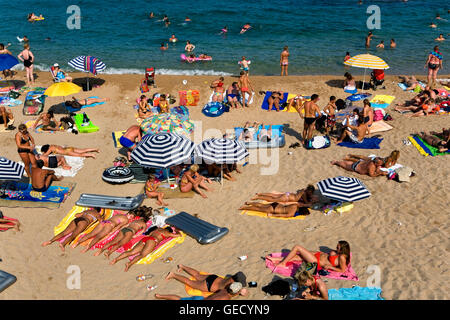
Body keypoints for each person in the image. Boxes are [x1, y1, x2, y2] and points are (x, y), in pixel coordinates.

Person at [110, 226, 182, 271]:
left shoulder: (157, 229)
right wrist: (177, 230)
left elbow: (149, 234)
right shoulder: (167, 233)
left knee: (131, 252)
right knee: (142, 255)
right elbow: (179, 235)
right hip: (153, 241)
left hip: (146, 239)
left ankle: (116, 259)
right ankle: (129, 264)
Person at [269, 240, 351, 275]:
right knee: (297, 256)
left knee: (297, 247)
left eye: (338, 247)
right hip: (317, 255)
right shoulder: (338, 253)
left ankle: (283, 263)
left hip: (317, 262)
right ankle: (276, 259)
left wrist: (330, 267)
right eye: (336, 246)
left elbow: (343, 270)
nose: (336, 248)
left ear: (343, 249)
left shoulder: (342, 257)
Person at [165, 264, 247, 294]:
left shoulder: (232, 278)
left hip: (214, 278)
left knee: (197, 274)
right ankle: (173, 275)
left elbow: (239, 275)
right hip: (209, 286)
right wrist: (241, 290)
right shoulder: (230, 288)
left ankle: (182, 266)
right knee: (190, 283)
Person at [155, 282, 248, 300]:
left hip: (199, 298)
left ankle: (160, 296)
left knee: (179, 299)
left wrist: (238, 292)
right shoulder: (226, 298)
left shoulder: (222, 290)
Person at [251, 184, 317, 204]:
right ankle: (258, 197)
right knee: (272, 199)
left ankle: (260, 193)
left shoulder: (303, 190)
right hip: (287, 198)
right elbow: (306, 202)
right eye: (311, 192)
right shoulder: (304, 194)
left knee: (274, 195)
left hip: (288, 194)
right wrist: (311, 201)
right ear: (309, 191)